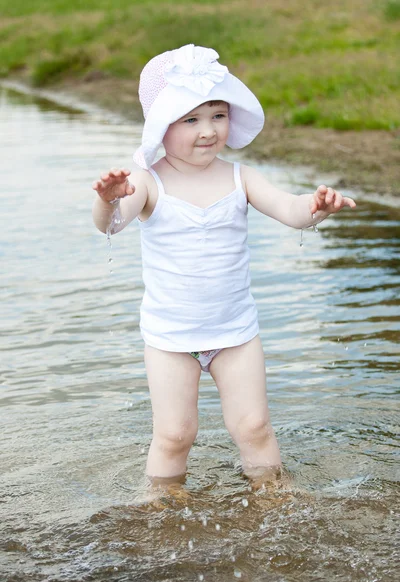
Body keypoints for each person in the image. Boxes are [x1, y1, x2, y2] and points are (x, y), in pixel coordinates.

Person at [92, 44, 356, 485]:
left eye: (218, 115)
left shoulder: (240, 176)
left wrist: (318, 206)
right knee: (175, 434)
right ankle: (160, 512)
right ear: (161, 125)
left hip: (235, 332)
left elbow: (291, 211)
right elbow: (111, 226)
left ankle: (273, 502)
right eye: (190, 119)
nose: (208, 130)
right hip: (171, 337)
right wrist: (106, 201)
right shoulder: (146, 182)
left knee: (253, 427)